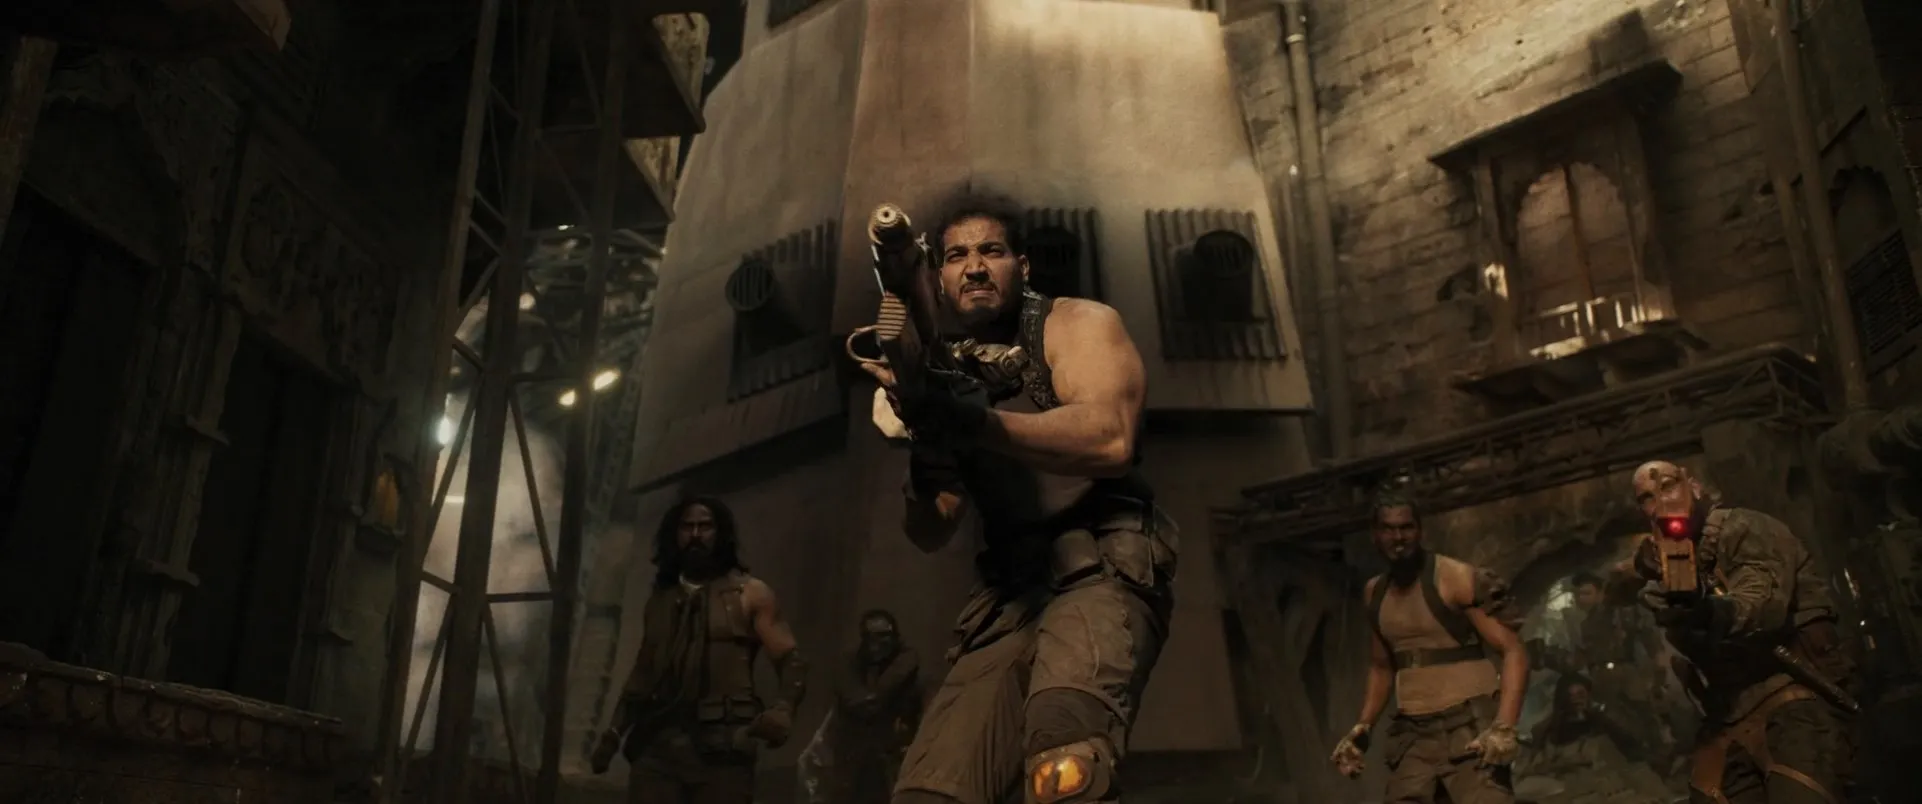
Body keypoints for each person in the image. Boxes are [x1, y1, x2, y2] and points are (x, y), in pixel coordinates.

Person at [857, 192, 1177, 804]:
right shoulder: (949, 369)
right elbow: (932, 529)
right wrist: (926, 452)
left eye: (992, 251)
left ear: (1022, 267)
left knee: (1066, 769)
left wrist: (971, 423)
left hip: (1100, 565)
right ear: (938, 279)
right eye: (956, 256)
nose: (975, 267)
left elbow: (1109, 439)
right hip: (1006, 592)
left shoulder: (1075, 324)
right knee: (928, 795)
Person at [1608, 460, 1855, 804]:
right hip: (1728, 715)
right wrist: (1655, 578)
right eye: (1647, 497)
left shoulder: (1744, 527)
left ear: (1694, 487)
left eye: (1668, 486)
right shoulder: (1666, 561)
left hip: (1794, 691)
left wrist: (1709, 610)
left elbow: (1762, 606)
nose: (1661, 502)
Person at [589, 496, 808, 804]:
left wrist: (784, 709)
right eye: (687, 527)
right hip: (658, 746)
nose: (695, 535)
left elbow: (790, 660)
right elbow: (643, 675)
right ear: (675, 534)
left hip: (723, 749)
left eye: (704, 526)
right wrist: (614, 733)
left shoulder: (751, 594)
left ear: (720, 533)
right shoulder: (660, 601)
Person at [1328, 494, 1528, 804]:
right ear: (1375, 535)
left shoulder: (1454, 578)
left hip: (1469, 728)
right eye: (1388, 529)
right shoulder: (1375, 593)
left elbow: (1514, 651)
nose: (1398, 538)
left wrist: (1504, 726)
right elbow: (1381, 666)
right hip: (1414, 737)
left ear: (1419, 530)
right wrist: (1363, 727)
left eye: (1406, 527)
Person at [808, 609, 924, 804]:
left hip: (895, 751)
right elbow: (855, 698)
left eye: (884, 635)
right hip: (852, 752)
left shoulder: (907, 661)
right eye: (871, 636)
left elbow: (890, 690)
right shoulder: (850, 661)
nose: (878, 643)